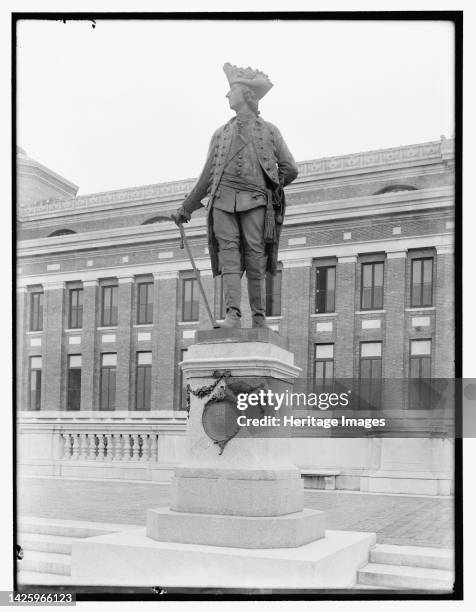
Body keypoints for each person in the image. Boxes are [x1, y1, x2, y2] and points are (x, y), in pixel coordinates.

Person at [172, 63, 298, 328]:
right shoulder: (220, 134)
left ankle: (259, 317)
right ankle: (232, 315)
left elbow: (290, 168)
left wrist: (271, 188)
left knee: (255, 256)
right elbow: (206, 177)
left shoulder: (269, 131)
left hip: (255, 201)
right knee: (229, 257)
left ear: (247, 95)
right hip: (222, 203)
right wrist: (186, 208)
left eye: (232, 90)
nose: (227, 96)